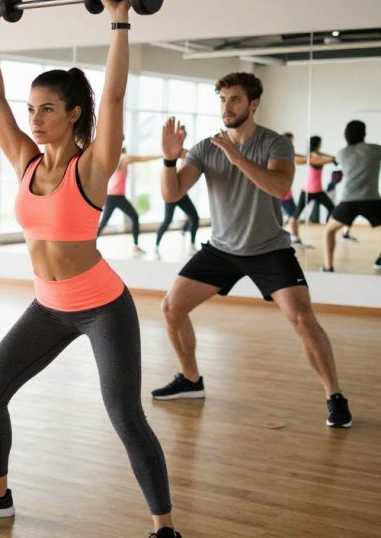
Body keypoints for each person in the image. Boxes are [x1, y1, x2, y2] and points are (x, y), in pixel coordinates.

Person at [0, 0, 182, 538]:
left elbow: (116, 98)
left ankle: (164, 528)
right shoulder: (25, 162)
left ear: (75, 113)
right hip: (49, 308)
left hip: (101, 306)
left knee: (125, 415)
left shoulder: (93, 165)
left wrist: (120, 21)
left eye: (47, 108)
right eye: (33, 109)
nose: (34, 118)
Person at [153, 75, 352, 429]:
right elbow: (172, 194)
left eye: (234, 100)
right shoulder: (204, 148)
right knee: (171, 308)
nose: (226, 107)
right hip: (221, 248)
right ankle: (191, 380)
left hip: (268, 249)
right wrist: (169, 161)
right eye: (223, 100)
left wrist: (235, 155)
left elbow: (279, 187)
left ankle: (334, 395)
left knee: (303, 319)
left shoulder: (275, 144)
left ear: (253, 104)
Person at [322, 120, 381, 272]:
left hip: (349, 201)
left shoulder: (342, 153)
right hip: (372, 200)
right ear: (364, 133)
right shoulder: (375, 149)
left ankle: (328, 267)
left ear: (346, 135)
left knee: (329, 231)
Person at [96, 147, 159, 255]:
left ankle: (135, 246)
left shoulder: (112, 159)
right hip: (115, 197)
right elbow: (143, 158)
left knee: (106, 222)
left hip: (114, 197)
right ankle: (89, 245)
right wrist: (161, 156)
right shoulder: (124, 158)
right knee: (132, 218)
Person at [154, 126, 201, 256]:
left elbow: (192, 163)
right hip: (171, 193)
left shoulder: (187, 152)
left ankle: (191, 245)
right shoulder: (169, 151)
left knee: (195, 217)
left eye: (183, 135)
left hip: (182, 194)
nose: (181, 137)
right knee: (167, 221)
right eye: (179, 135)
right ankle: (156, 246)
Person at [287, 136, 336, 248]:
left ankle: (328, 228)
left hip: (318, 191)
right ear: (318, 144)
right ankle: (293, 237)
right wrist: (332, 159)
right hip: (307, 191)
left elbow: (324, 157)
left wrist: (332, 158)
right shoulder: (312, 156)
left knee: (332, 208)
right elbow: (317, 160)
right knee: (296, 214)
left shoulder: (316, 154)